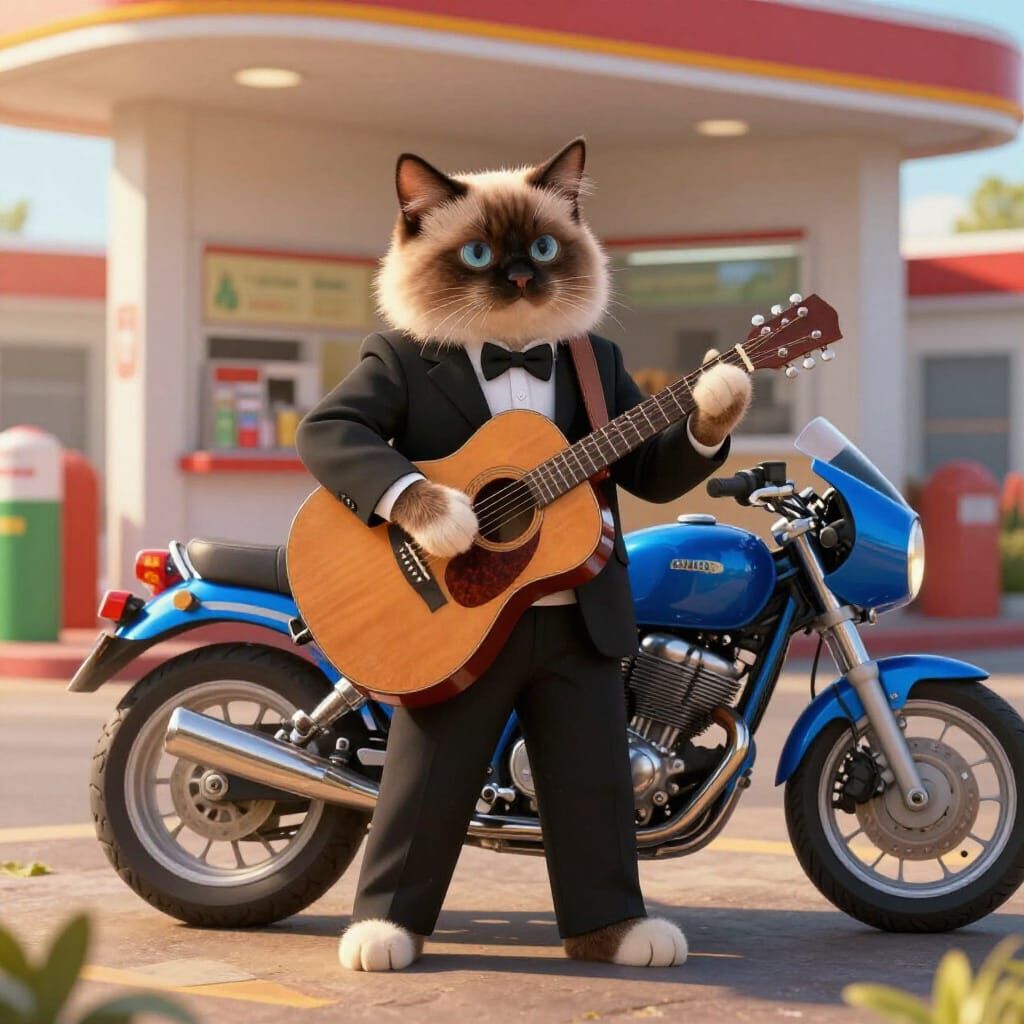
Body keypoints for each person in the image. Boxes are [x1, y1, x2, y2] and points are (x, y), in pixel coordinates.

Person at [296, 138, 752, 972]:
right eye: (477, 255)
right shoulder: (404, 356)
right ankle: (392, 912)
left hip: (575, 611)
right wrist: (412, 499)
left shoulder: (595, 361)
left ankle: (605, 920)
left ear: (574, 233)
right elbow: (327, 432)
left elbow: (647, 471)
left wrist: (703, 428)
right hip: (455, 611)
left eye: (542, 250)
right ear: (413, 232)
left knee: (592, 777)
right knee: (430, 769)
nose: (515, 276)